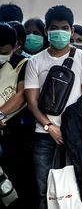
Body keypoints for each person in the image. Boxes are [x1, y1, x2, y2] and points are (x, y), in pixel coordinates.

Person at [24, 5, 82, 208]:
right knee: (44, 191)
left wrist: (69, 127)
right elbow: (32, 102)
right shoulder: (35, 62)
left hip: (76, 135)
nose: (60, 32)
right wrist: (50, 127)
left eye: (65, 28)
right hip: (44, 135)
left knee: (77, 191)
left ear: (72, 31)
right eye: (55, 28)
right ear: (47, 31)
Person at [0, 23, 37, 208]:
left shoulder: (23, 63)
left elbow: (21, 95)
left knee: (17, 186)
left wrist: (0, 114)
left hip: (15, 133)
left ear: (16, 46)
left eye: (4, 51)